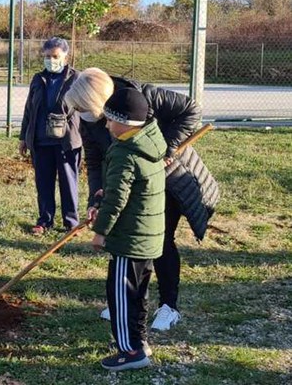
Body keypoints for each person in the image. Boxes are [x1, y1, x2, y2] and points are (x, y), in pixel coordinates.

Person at [65, 68, 219, 331]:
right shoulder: (90, 117)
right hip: (127, 181)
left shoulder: (140, 96)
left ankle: (169, 306)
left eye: (85, 109)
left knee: (160, 239)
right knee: (131, 240)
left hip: (166, 180)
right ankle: (130, 302)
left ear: (100, 101)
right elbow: (94, 159)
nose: (82, 115)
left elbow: (190, 110)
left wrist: (166, 150)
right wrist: (96, 197)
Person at [90, 88, 166, 371]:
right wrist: (102, 195)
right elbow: (127, 189)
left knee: (120, 295)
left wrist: (100, 231)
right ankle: (141, 341)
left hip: (129, 238)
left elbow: (117, 200)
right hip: (147, 235)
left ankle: (130, 351)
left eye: (111, 120)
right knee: (138, 293)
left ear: (126, 123)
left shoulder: (125, 152)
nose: (107, 125)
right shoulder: (150, 140)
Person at [18, 37, 82, 235]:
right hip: (40, 140)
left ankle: (71, 223)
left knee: (68, 181)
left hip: (67, 141)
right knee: (43, 182)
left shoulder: (76, 78)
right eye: (47, 56)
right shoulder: (38, 79)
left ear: (65, 56)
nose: (51, 60)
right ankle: (44, 220)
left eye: (55, 56)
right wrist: (23, 137)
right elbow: (29, 109)